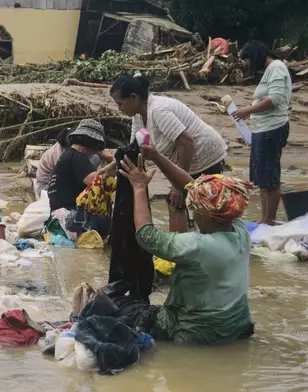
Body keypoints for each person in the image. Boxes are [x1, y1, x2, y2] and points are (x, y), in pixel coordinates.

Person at [114, 144, 253, 345]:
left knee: (122, 305)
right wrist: (157, 157)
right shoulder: (240, 232)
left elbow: (146, 235)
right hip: (236, 326)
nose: (193, 210)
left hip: (192, 332)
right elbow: (193, 187)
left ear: (204, 214)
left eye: (195, 207)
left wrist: (139, 187)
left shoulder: (197, 246)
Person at [104, 74, 228, 233]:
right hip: (187, 158)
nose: (119, 109)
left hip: (205, 154)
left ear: (133, 98)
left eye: (120, 104)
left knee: (202, 208)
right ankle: (181, 248)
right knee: (177, 203)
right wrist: (110, 168)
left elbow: (187, 142)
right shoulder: (138, 116)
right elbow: (134, 149)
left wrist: (178, 186)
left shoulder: (158, 110)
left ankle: (192, 246)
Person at [233, 41, 292, 225]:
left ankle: (269, 219)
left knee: (270, 176)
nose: (249, 64)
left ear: (256, 55)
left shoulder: (276, 67)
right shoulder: (270, 70)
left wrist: (247, 110)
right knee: (262, 178)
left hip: (271, 128)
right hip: (262, 129)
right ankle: (265, 218)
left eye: (249, 59)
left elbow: (274, 99)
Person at [45, 119, 113, 243]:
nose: (95, 153)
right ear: (90, 143)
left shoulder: (67, 156)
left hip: (56, 215)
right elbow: (95, 181)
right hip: (69, 217)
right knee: (109, 223)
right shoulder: (77, 157)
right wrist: (113, 163)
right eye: (96, 148)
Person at [35, 128, 113, 199]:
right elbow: (89, 180)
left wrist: (107, 157)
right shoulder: (62, 155)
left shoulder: (81, 150)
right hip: (47, 187)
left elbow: (104, 155)